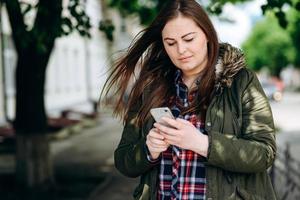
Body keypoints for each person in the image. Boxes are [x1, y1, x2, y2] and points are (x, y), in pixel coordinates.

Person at [102, 0, 277, 199]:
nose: (181, 50)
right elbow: (124, 161)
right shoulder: (150, 89)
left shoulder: (241, 82)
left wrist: (203, 143)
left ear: (207, 35)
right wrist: (148, 149)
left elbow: (265, 153)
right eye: (171, 43)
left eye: (189, 39)